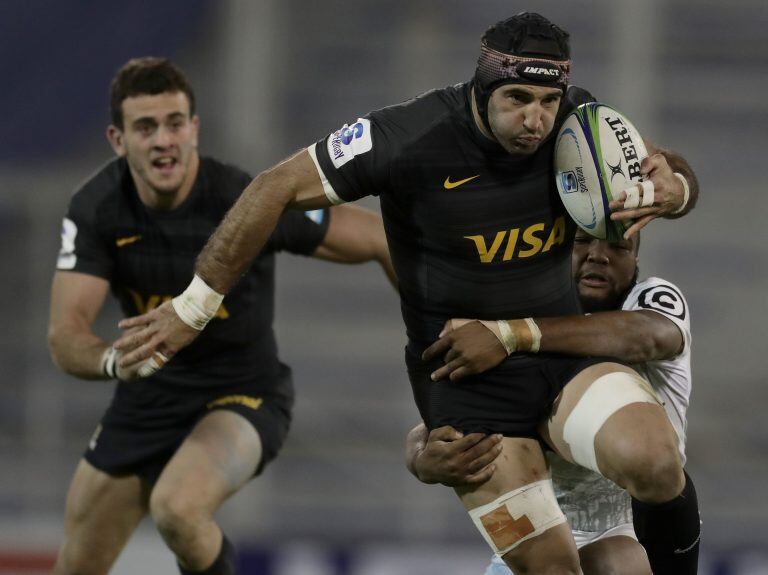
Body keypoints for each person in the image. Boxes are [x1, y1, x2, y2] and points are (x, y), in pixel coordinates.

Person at [115, 14, 701, 574]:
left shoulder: (576, 118)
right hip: (468, 390)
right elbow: (274, 187)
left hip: (556, 355)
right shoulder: (403, 137)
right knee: (549, 570)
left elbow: (663, 170)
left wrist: (673, 189)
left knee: (654, 462)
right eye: (517, 100)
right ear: (482, 87)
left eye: (547, 102)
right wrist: (193, 309)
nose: (535, 120)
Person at [47, 57, 394, 575]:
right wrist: (113, 362)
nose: (163, 140)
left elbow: (381, 240)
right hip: (146, 399)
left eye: (174, 123)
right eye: (146, 127)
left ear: (194, 129)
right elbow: (65, 337)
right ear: (118, 140)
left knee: (177, 508)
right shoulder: (97, 209)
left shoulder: (242, 199)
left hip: (242, 394)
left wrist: (435, 324)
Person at [407, 228, 699, 574]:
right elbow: (454, 410)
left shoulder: (649, 299)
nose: (597, 255)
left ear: (635, 259)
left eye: (618, 246)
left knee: (616, 559)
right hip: (534, 539)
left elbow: (650, 336)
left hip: (632, 531)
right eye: (581, 241)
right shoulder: (509, 319)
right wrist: (420, 458)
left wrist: (516, 335)